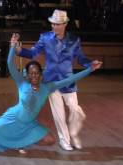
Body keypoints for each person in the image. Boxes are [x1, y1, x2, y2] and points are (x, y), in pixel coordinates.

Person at [0, 38, 102, 153]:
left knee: (50, 140)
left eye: (37, 72)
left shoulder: (47, 87)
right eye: (31, 73)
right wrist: (12, 46)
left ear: (40, 74)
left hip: (29, 124)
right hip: (12, 118)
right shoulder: (22, 83)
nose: (35, 75)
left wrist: (90, 69)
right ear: (27, 75)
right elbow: (9, 64)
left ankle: (18, 144)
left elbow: (70, 79)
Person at [11, 9, 102, 151]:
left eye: (57, 24)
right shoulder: (45, 38)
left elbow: (81, 58)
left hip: (68, 81)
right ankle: (64, 140)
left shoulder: (74, 40)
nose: (53, 26)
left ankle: (73, 133)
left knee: (75, 110)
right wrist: (19, 51)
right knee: (59, 115)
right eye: (52, 24)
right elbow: (33, 53)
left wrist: (91, 64)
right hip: (51, 82)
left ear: (65, 24)